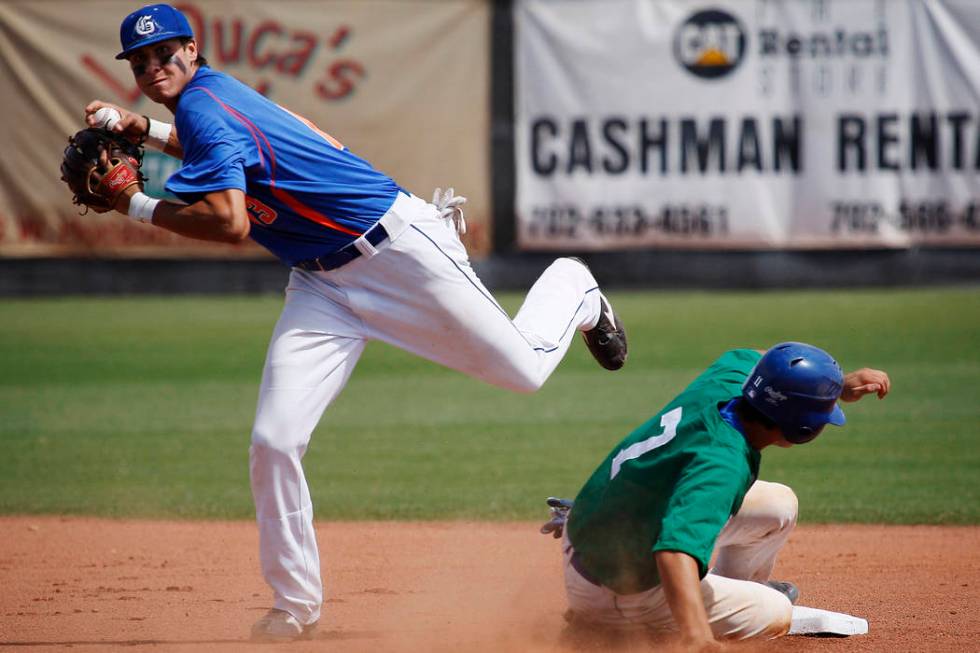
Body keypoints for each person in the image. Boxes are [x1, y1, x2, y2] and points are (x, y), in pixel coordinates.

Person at [83, 3, 628, 642]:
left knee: (526, 370)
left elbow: (230, 224)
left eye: (164, 53)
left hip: (398, 256)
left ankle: (575, 285)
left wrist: (135, 204)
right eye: (140, 62)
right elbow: (219, 145)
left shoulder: (204, 105)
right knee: (274, 440)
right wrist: (140, 127)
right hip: (320, 282)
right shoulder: (213, 99)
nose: (153, 67)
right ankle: (294, 605)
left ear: (192, 49)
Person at [541, 342, 889, 651]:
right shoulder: (722, 464)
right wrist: (695, 638)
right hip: (618, 586)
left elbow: (765, 358)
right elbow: (674, 552)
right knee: (777, 611)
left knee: (778, 505)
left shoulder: (731, 381)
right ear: (802, 429)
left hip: (598, 525)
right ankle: (609, 629)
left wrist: (831, 388)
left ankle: (728, 592)